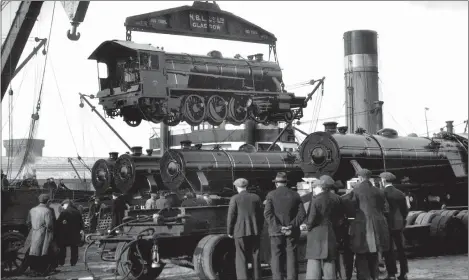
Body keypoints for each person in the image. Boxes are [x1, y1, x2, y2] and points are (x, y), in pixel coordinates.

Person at [343, 169, 390, 280]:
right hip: (378, 226)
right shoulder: (379, 191)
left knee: (361, 254)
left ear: (360, 178)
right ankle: (375, 276)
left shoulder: (356, 191)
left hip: (362, 226)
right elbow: (386, 209)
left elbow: (351, 209)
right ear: (369, 178)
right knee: (374, 253)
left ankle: (364, 277)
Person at [264, 172, 306, 280]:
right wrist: (291, 226)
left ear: (276, 183)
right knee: (291, 256)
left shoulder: (271, 195)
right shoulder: (295, 195)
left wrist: (279, 227)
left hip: (276, 232)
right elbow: (302, 214)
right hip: (292, 231)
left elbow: (268, 214)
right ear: (286, 183)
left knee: (276, 256)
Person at [305, 176, 344, 280]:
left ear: (319, 188)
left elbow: (311, 218)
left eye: (314, 188)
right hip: (331, 232)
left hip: (316, 234)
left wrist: (308, 227)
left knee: (314, 261)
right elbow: (340, 218)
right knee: (329, 261)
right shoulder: (336, 199)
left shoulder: (315, 200)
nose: (314, 190)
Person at [227, 178, 264, 280]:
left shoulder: (235, 198)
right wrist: (259, 229)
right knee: (255, 255)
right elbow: (261, 216)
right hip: (255, 231)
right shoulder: (256, 197)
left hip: (240, 232)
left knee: (241, 257)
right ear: (246, 186)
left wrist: (229, 232)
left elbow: (231, 217)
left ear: (236, 187)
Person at [380, 172, 409, 280]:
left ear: (383, 180)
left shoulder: (382, 193)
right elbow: (405, 210)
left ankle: (391, 274)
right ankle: (404, 273)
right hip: (398, 223)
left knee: (388, 250)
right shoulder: (400, 193)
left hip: (386, 224)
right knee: (401, 249)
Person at [26, 194, 56, 276]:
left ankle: (33, 270)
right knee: (43, 251)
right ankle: (42, 270)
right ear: (47, 201)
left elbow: (28, 222)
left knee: (33, 251)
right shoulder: (47, 211)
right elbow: (49, 225)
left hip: (34, 232)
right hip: (44, 233)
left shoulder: (32, 210)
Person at [56, 199, 84, 266]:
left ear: (66, 204)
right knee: (74, 248)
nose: (63, 207)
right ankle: (73, 262)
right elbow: (81, 224)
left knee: (62, 248)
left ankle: (61, 262)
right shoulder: (77, 212)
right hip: (75, 234)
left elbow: (58, 223)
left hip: (64, 234)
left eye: (63, 205)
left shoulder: (64, 212)